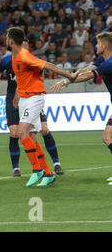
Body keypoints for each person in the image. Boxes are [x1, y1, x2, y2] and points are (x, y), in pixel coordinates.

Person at [6, 27, 76, 187]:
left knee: (21, 132)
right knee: (30, 136)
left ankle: (37, 170)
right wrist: (17, 93)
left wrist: (69, 75)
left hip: (34, 97)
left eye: (6, 37)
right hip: (24, 97)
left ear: (11, 40)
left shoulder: (24, 55)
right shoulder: (14, 56)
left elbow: (48, 65)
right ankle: (48, 174)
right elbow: (22, 76)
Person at [51, 31, 112, 185]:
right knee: (107, 138)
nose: (95, 46)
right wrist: (72, 74)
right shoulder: (102, 59)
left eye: (98, 43)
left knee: (108, 137)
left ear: (104, 46)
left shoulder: (109, 63)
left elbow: (88, 76)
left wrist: (66, 82)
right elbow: (87, 70)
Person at [0, 51, 65, 177]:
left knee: (43, 130)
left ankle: (55, 164)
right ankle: (17, 168)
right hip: (12, 100)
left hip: (30, 97)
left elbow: (39, 75)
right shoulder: (7, 60)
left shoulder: (30, 60)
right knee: (15, 133)